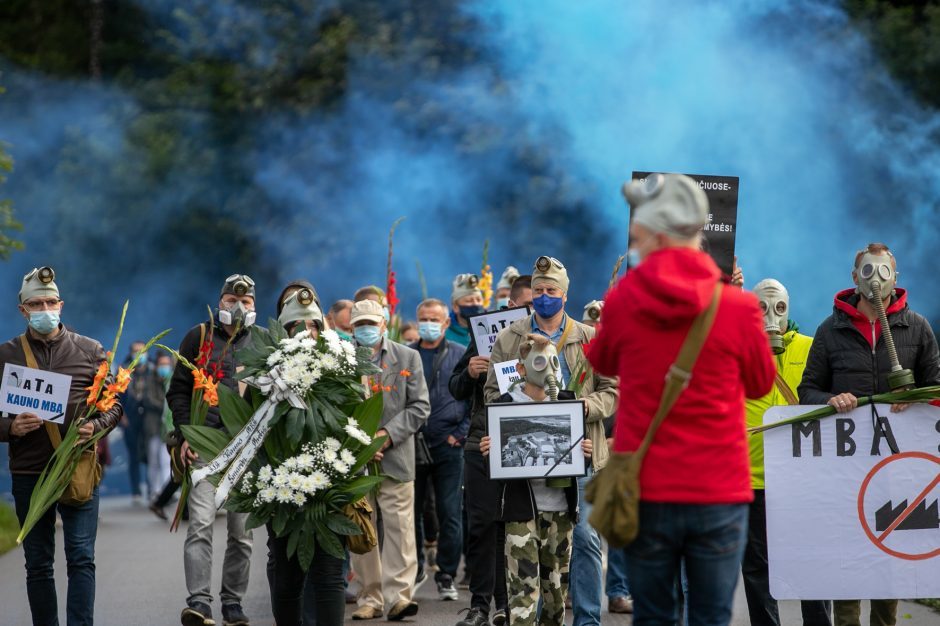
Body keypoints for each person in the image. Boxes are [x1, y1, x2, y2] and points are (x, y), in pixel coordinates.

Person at [587, 173, 775, 625]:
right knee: (711, 617)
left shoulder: (625, 299)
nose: (632, 234)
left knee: (653, 616)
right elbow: (760, 383)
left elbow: (601, 360)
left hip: (647, 488)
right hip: (720, 492)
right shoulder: (737, 307)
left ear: (656, 231)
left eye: (638, 228)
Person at [798, 243, 940, 626]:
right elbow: (806, 391)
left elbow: (937, 389)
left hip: (898, 468)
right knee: (849, 553)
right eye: (868, 271)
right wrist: (831, 399)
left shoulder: (918, 327)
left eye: (883, 271)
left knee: (888, 554)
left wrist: (912, 399)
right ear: (854, 276)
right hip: (847, 467)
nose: (876, 279)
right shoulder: (829, 331)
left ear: (896, 276)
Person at [484, 257, 618, 626]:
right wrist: (522, 405)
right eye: (539, 290)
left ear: (565, 294)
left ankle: (588, 619)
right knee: (532, 549)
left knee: (586, 542)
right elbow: (493, 394)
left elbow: (613, 390)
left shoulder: (590, 338)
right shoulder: (510, 337)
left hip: (582, 454)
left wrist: (580, 409)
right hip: (525, 464)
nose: (544, 297)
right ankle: (533, 618)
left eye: (551, 291)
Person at [0, 266, 123, 624]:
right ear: (23, 310)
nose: (44, 309)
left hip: (78, 468)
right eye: (35, 304)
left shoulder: (91, 351)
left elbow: (113, 404)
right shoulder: (6, 356)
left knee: (81, 557)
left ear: (61, 305)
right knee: (37, 564)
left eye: (50, 302)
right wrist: (10, 427)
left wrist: (96, 427)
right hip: (29, 473)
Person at [480, 334, 594, 626]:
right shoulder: (504, 406)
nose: (548, 369)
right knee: (522, 588)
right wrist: (489, 452)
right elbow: (497, 460)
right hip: (521, 510)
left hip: (560, 510)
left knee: (556, 593)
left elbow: (580, 454)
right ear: (521, 368)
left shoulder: (568, 403)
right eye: (540, 361)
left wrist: (586, 452)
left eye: (553, 361)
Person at [167, 274, 259, 626]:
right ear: (219, 302)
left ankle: (233, 602)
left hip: (246, 450)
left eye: (246, 302)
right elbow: (177, 390)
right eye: (231, 301)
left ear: (254, 305)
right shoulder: (198, 336)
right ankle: (199, 602)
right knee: (201, 524)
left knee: (242, 533)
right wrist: (185, 432)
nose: (237, 307)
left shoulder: (264, 341)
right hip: (205, 446)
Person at [743, 279, 832, 626]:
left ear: (788, 309)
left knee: (812, 560)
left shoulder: (812, 348)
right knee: (756, 566)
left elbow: (831, 393)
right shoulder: (738, 352)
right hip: (752, 476)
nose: (771, 317)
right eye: (761, 308)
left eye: (778, 308)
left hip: (803, 476)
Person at [450, 274, 531, 626]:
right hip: (479, 444)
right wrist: (469, 372)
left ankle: (509, 604)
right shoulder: (482, 337)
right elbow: (455, 388)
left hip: (524, 444)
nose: (532, 309)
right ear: (509, 307)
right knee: (481, 525)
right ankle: (480, 605)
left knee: (512, 527)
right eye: (525, 304)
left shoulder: (547, 341)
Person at [265, 287, 347, 626]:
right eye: (297, 326)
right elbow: (247, 425)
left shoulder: (342, 362)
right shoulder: (264, 370)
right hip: (281, 484)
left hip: (330, 482)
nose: (306, 332)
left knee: (329, 572)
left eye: (312, 325)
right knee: (287, 574)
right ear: (284, 331)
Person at [348, 299, 431, 621]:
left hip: (396, 457)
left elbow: (420, 407)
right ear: (351, 328)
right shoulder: (340, 361)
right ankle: (370, 597)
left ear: (384, 323)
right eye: (360, 325)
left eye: (372, 323)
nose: (366, 329)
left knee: (400, 528)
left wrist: (384, 435)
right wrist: (362, 442)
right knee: (361, 528)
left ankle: (399, 596)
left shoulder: (407, 357)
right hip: (354, 458)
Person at [408, 298, 468, 601]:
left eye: (434, 318)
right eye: (423, 318)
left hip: (449, 445)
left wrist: (461, 433)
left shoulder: (460, 354)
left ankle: (446, 574)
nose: (428, 323)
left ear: (446, 323)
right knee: (412, 512)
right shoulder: (407, 355)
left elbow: (472, 398)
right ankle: (416, 567)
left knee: (449, 512)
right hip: (413, 444)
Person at [120, 340, 149, 500]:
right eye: (136, 351)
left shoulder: (152, 370)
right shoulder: (124, 371)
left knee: (150, 454)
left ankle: (153, 488)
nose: (139, 355)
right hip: (129, 417)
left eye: (142, 351)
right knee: (133, 455)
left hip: (148, 417)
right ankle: (136, 490)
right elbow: (117, 395)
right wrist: (121, 416)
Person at [144, 351, 173, 498]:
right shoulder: (150, 380)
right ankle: (155, 490)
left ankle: (166, 491)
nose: (164, 367)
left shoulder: (173, 380)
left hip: (167, 428)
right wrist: (165, 405)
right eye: (162, 364)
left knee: (166, 460)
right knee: (153, 460)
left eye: (167, 364)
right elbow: (149, 400)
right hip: (153, 426)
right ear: (156, 366)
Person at [445, 274, 485, 347]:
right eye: (469, 301)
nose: (476, 304)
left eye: (479, 300)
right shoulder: (445, 335)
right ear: (455, 307)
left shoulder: (491, 329)